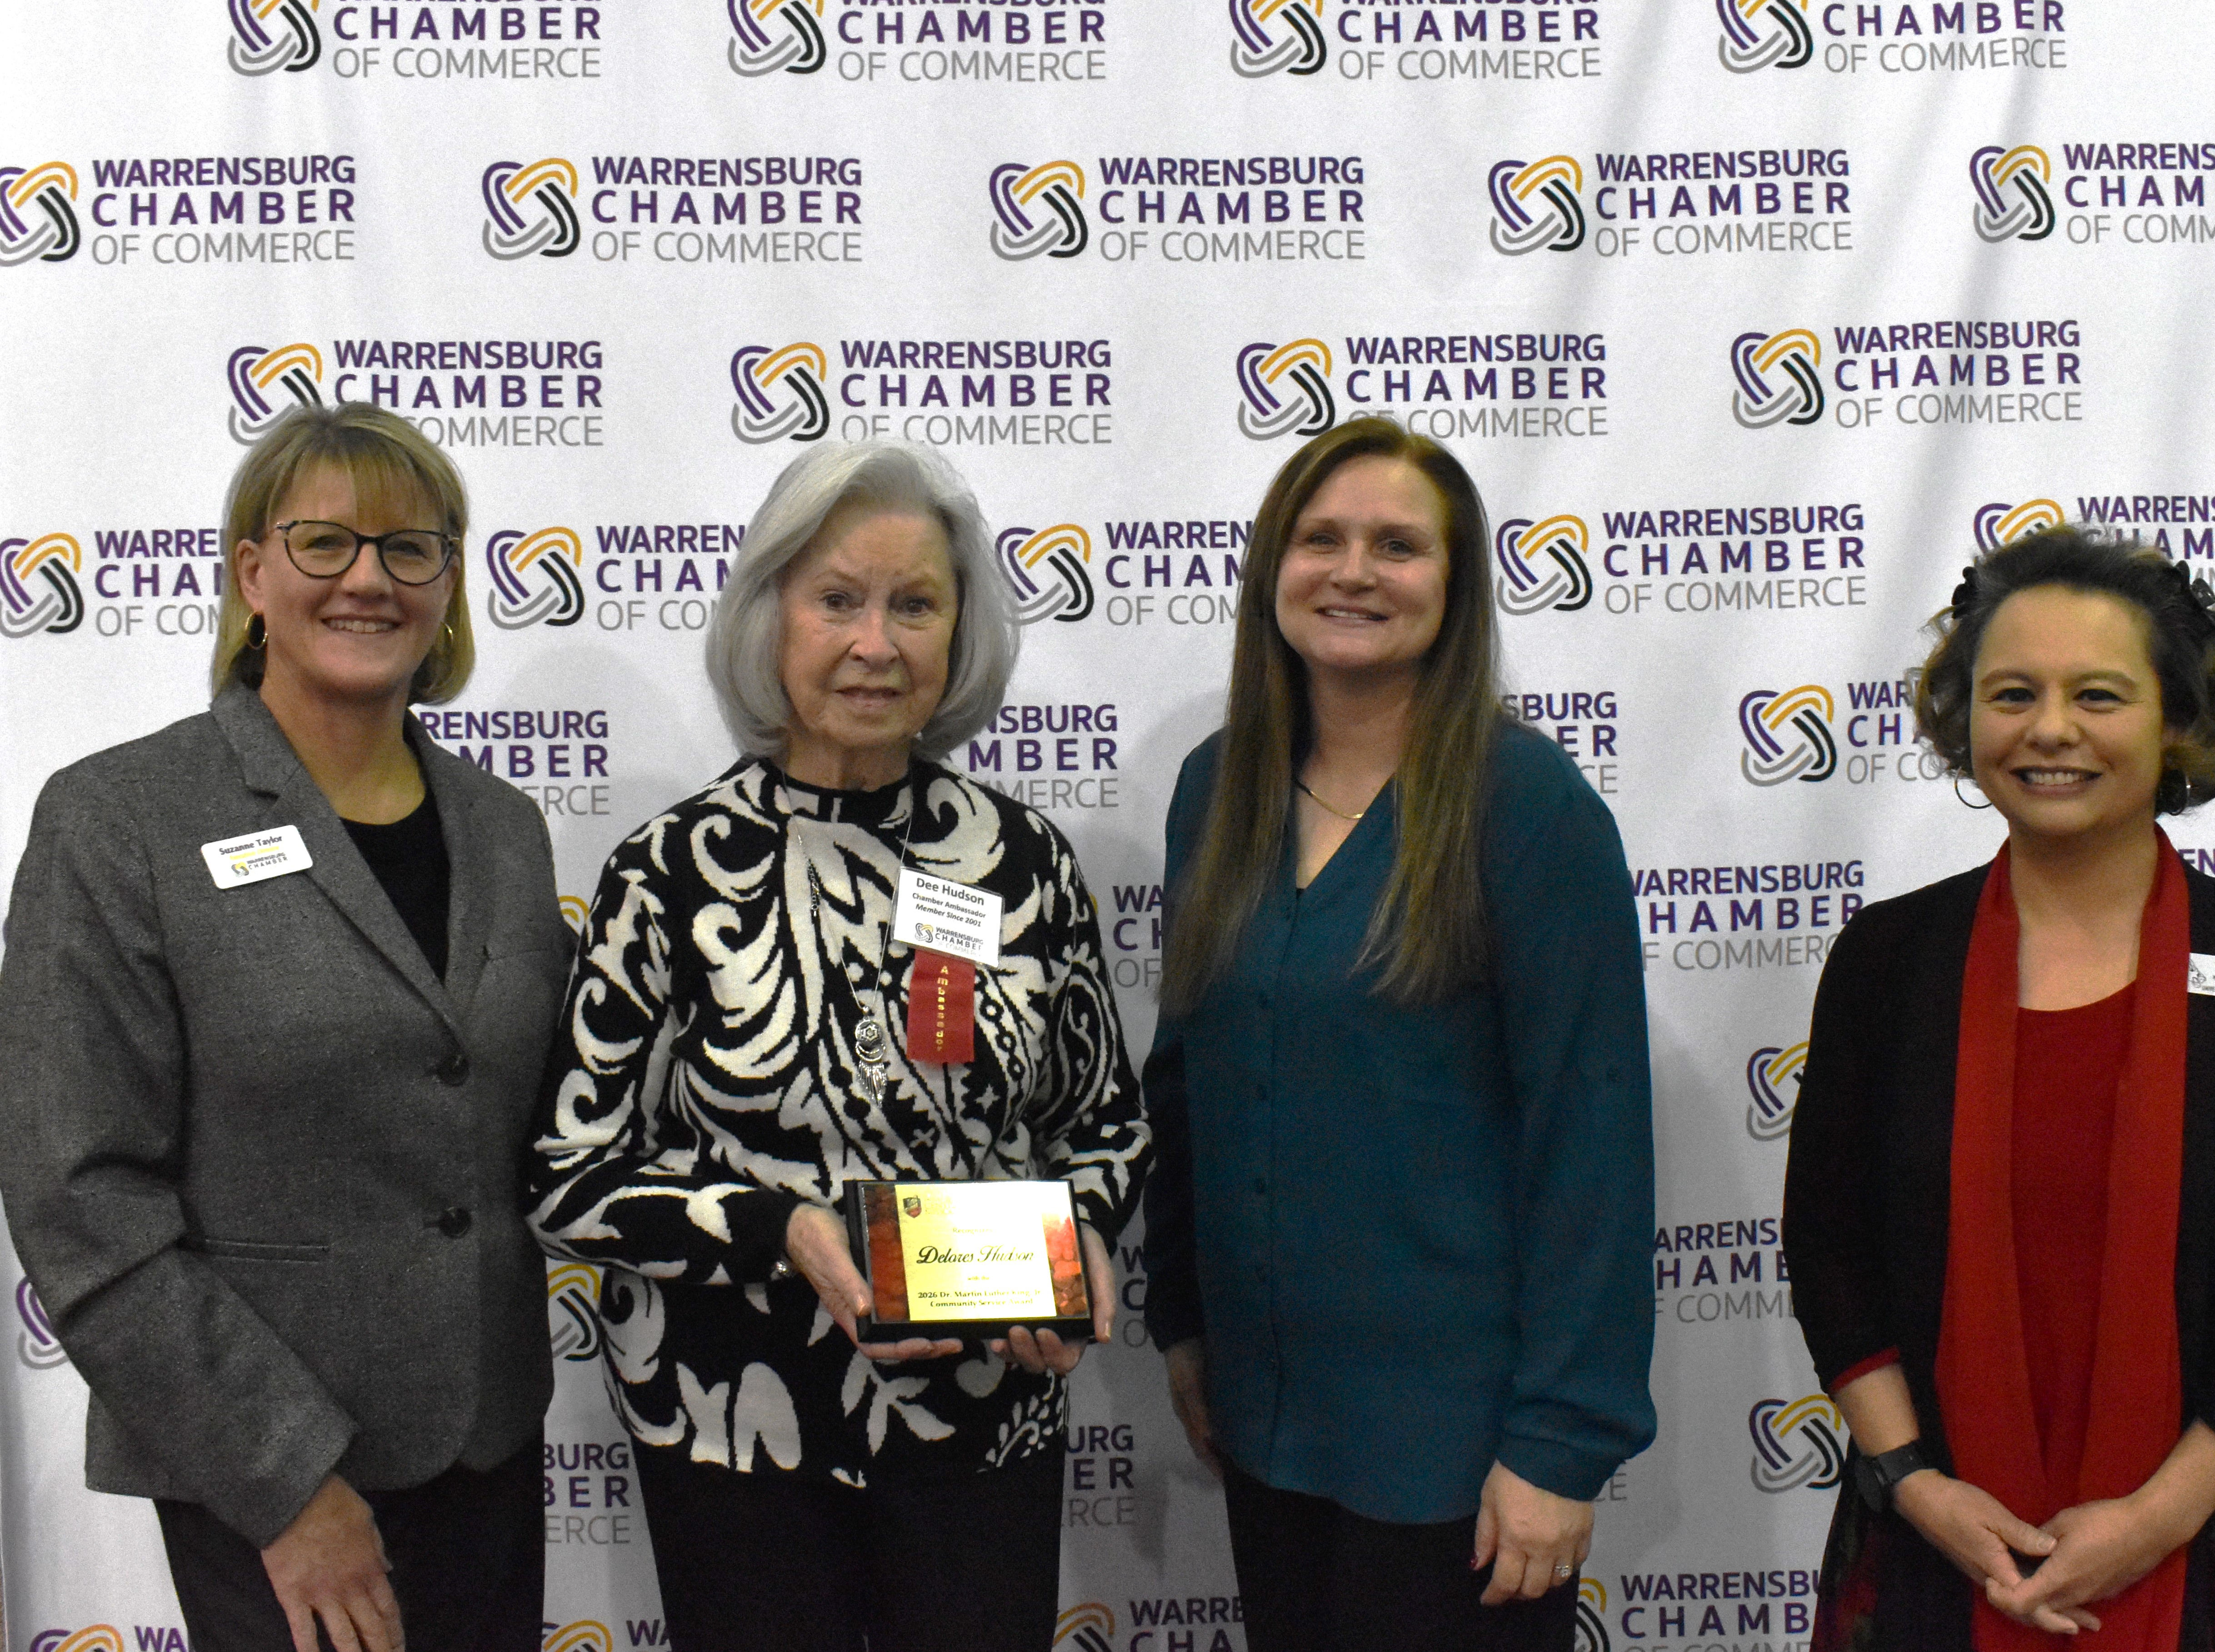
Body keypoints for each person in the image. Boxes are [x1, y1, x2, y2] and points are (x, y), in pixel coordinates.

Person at [526, 439, 1148, 1652]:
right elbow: (570, 1169)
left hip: (982, 1421)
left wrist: (1073, 1245)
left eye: (914, 603)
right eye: (836, 600)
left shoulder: (1021, 864)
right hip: (733, 1429)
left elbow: (1103, 1125)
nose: (876, 643)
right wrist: (778, 1230)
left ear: (959, 631)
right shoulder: (669, 870)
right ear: (770, 619)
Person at [0, 404, 574, 1652]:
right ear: (252, 573)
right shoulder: (118, 819)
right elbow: (79, 1197)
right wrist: (286, 1484)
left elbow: (557, 1124)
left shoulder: (506, 830)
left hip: (487, 1445)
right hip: (269, 1479)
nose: (368, 577)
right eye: (325, 542)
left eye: (408, 547)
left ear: (448, 584)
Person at [1781, 526, 2215, 1652]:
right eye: (2010, 693)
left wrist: (2152, 1519)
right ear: (1965, 721)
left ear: (2180, 721)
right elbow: (1827, 1242)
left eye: (2096, 694)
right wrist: (1913, 1484)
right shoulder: (1888, 961)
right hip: (1928, 1551)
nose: (2048, 729)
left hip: (2200, 1558)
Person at [1142, 418, 1655, 1652]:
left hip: (1459, 1457)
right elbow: (1188, 1077)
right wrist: (1182, 1320)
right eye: (1319, 539)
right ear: (1272, 570)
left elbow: (1589, 1139)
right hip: (1269, 1421)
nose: (1354, 571)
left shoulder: (1528, 807)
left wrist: (1559, 1445)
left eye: (1396, 545)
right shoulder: (1217, 790)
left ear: (1456, 584)